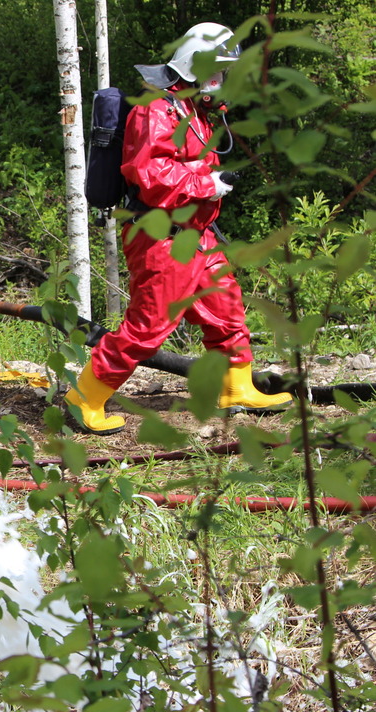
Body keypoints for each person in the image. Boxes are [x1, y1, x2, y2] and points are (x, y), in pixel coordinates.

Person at [66, 23, 291, 435]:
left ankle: (236, 387)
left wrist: (207, 178)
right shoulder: (157, 109)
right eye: (217, 73)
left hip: (195, 233)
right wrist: (208, 182)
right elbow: (148, 172)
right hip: (161, 238)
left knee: (226, 308)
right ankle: (85, 398)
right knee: (147, 328)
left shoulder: (193, 110)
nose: (221, 82)